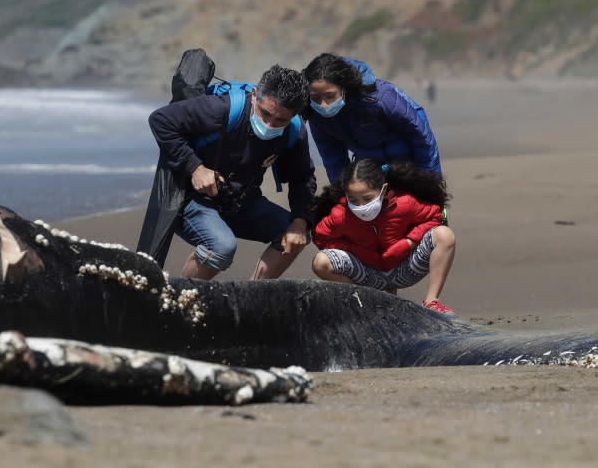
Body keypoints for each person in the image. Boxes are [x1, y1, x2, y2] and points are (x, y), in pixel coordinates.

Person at [142, 64, 316, 280]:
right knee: (222, 247)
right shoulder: (220, 109)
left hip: (239, 201)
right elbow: (161, 120)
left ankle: (254, 296)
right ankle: (183, 305)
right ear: (254, 95)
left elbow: (303, 178)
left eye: (280, 120)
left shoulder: (295, 131)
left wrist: (300, 222)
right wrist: (195, 168)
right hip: (192, 199)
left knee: (294, 234)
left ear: (294, 115)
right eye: (265, 113)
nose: (269, 124)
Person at [311, 158, 456, 314]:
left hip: (406, 269)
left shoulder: (404, 204)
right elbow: (321, 237)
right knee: (320, 262)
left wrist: (409, 242)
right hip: (367, 275)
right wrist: (354, 250)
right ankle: (363, 302)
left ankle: (431, 302)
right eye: (353, 199)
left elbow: (435, 216)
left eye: (367, 199)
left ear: (384, 189)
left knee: (444, 235)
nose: (361, 206)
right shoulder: (341, 215)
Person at [302, 52, 441, 182]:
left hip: (409, 164)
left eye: (330, 96)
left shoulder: (380, 97)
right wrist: (342, 194)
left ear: (344, 87)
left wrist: (431, 183)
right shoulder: (316, 115)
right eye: (316, 98)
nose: (323, 104)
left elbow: (422, 138)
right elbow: (332, 158)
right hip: (369, 170)